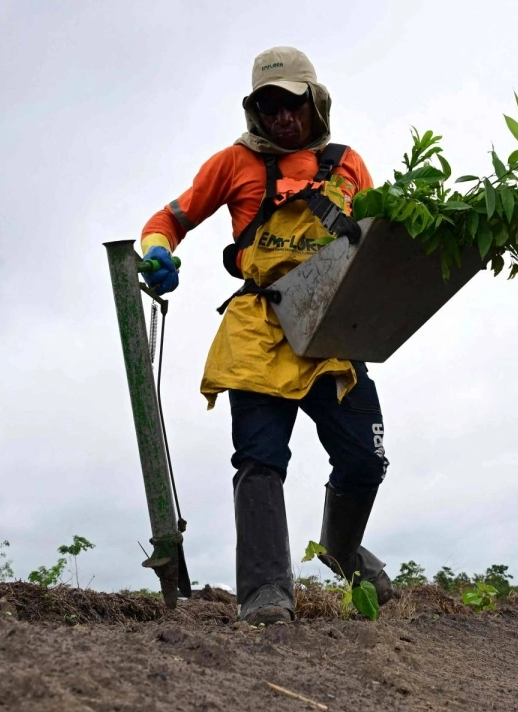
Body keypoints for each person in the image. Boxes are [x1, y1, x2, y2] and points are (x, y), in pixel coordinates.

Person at [138, 47, 390, 625]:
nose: (281, 117)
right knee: (259, 461)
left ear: (313, 102)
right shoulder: (232, 163)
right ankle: (266, 595)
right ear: (254, 110)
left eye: (291, 103)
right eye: (267, 105)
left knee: (364, 461)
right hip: (260, 328)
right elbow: (168, 220)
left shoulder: (347, 165)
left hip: (331, 331)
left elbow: (378, 238)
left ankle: (341, 549)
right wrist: (157, 252)